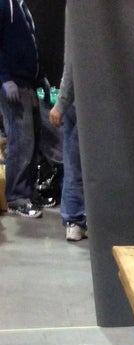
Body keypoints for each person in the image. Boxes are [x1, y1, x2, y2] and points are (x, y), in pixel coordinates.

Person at [0, 0, 49, 218]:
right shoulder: (4, 4)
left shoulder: (19, 6)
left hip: (28, 82)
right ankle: (16, 196)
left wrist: (41, 77)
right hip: (14, 84)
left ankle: (28, 192)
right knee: (21, 140)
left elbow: (30, 46)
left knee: (33, 139)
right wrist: (4, 78)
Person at [49, 5, 85, 240]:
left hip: (77, 105)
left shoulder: (79, 9)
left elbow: (72, 61)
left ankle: (74, 219)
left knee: (75, 168)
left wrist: (60, 104)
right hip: (98, 107)